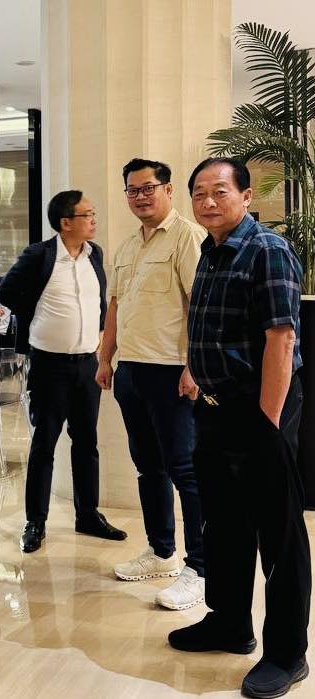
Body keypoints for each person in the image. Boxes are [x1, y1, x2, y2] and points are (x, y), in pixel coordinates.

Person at [169, 158, 311, 699]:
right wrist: (194, 372)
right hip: (213, 408)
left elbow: (281, 337)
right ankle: (229, 623)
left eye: (220, 191)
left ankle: (288, 654)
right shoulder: (210, 249)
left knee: (279, 534)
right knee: (224, 525)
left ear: (246, 196)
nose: (208, 201)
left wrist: (268, 422)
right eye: (199, 193)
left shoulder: (267, 249)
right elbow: (206, 325)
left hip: (258, 411)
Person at [96, 158, 207, 610]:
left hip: (171, 372)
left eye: (148, 188)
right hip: (132, 371)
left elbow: (199, 305)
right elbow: (115, 306)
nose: (140, 196)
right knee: (148, 467)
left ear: (168, 190)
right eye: (133, 190)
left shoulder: (187, 237)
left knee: (185, 470)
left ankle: (201, 567)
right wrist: (106, 357)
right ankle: (162, 552)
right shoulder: (127, 246)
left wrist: (194, 366)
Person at [0, 190, 127, 553]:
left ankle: (88, 515)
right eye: (87, 214)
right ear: (65, 222)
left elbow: (98, 301)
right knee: (45, 444)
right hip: (49, 365)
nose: (94, 220)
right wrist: (36, 315)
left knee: (87, 443)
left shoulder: (94, 254)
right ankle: (35, 522)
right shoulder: (39, 255)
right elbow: (6, 293)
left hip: (87, 364)